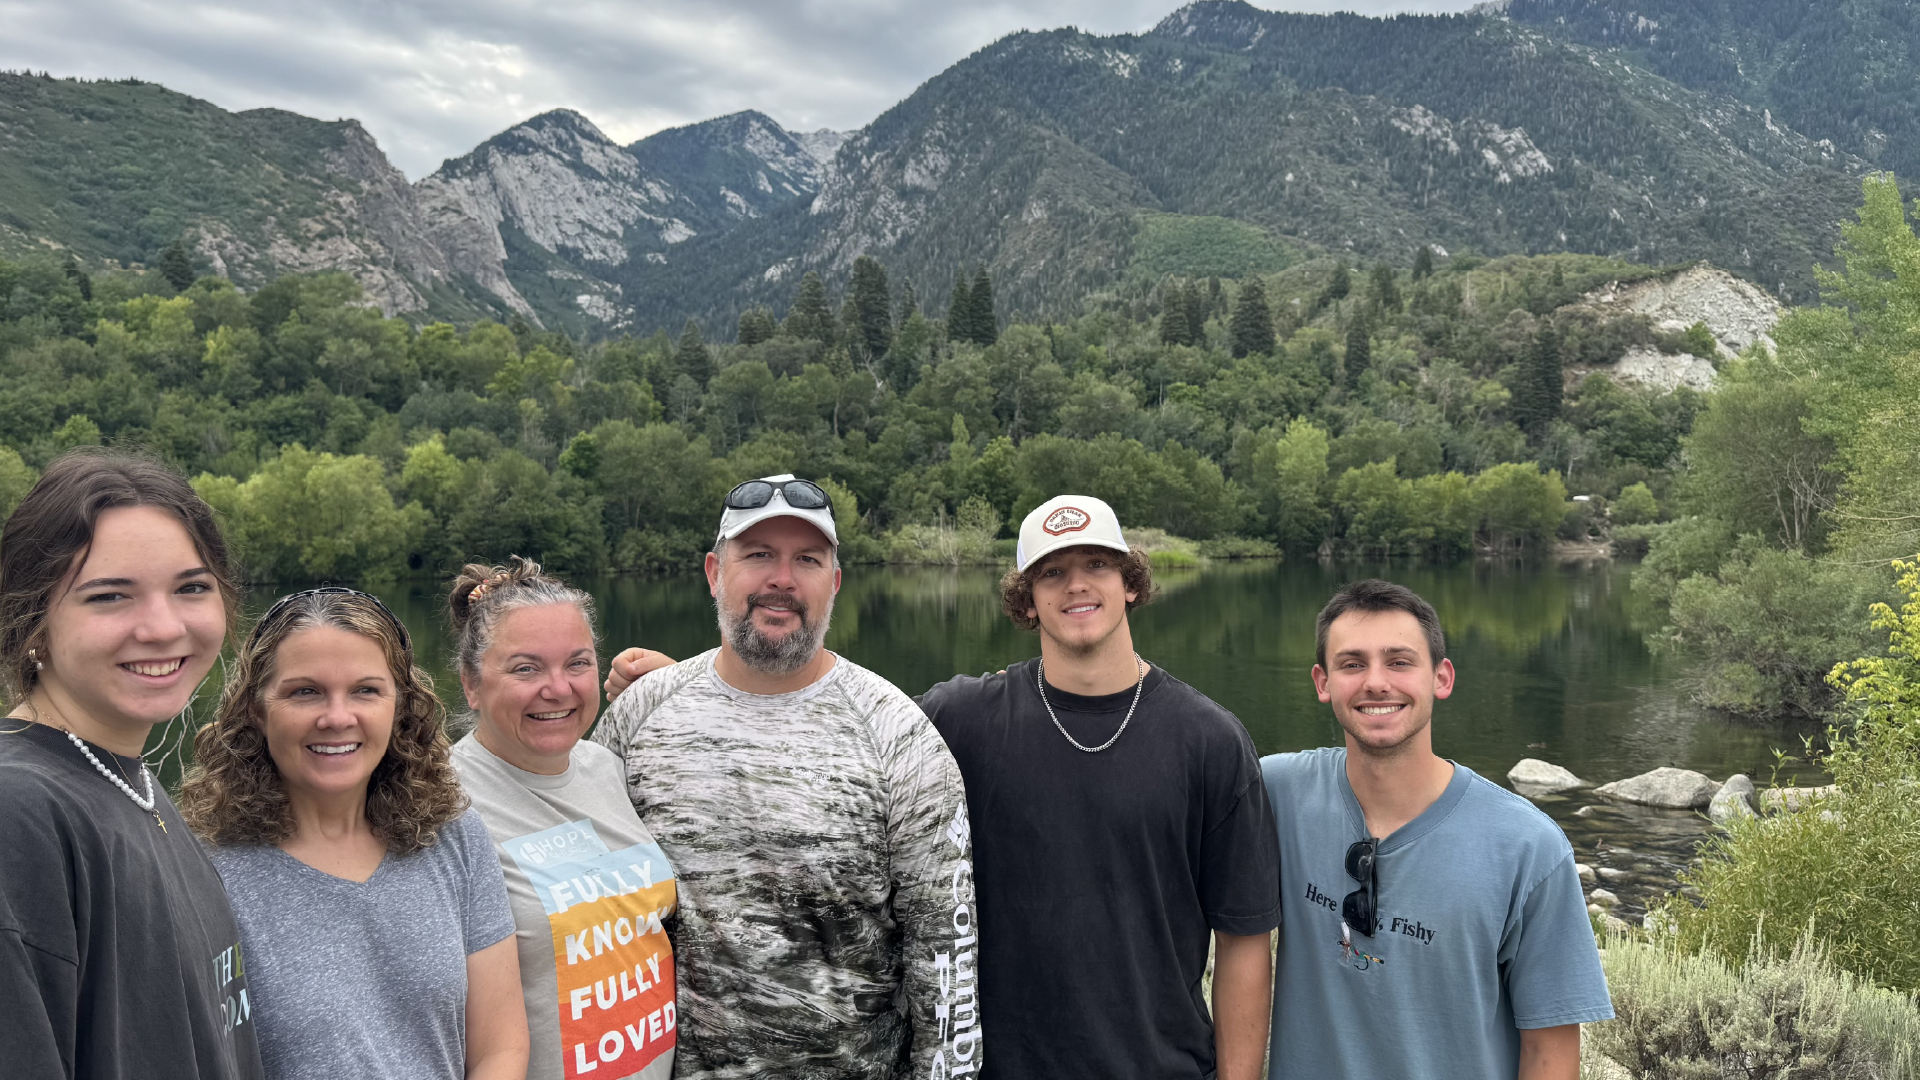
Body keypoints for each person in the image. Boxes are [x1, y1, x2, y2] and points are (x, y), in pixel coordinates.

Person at [590, 473, 978, 1079]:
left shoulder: (901, 738)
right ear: (715, 573)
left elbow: (946, 965)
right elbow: (588, 920)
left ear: (835, 583)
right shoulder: (637, 717)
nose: (782, 579)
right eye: (758, 555)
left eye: (807, 560)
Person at [916, 496, 1281, 1079]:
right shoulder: (959, 721)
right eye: (1052, 572)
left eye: (1098, 565)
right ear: (1027, 600)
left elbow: (1243, 938)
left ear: (1130, 583)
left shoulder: (1210, 740)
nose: (1076, 585)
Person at [1261, 579, 1612, 1079]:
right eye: (1352, 664)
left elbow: (1549, 1052)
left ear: (1441, 678)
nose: (1376, 682)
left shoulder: (1528, 847)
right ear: (1322, 683)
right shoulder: (1274, 792)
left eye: (1400, 662)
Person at [179, 588, 528, 1080]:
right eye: (305, 692)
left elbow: (500, 1048)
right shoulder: (203, 869)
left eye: (366, 690)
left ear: (400, 704)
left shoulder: (453, 835)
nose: (338, 718)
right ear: (256, 708)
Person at [0, 449, 265, 1080]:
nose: (163, 627)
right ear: (31, 619)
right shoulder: (19, 811)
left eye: (191, 588)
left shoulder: (132, 785)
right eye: (110, 596)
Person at [445, 558, 676, 1080]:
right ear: (471, 684)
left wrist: (676, 691)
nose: (558, 688)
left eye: (578, 663)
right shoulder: (441, 805)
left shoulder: (609, 768)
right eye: (526, 669)